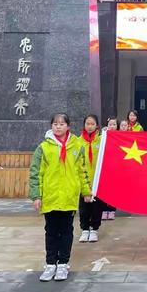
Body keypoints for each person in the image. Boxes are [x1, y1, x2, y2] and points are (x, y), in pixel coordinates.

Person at [29, 113, 91, 282]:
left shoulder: (77, 146)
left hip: (69, 198)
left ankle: (63, 263)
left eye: (62, 124)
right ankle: (50, 264)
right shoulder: (43, 148)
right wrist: (36, 196)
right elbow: (35, 173)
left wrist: (86, 191)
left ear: (68, 126)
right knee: (50, 231)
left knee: (66, 231)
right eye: (55, 124)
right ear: (51, 126)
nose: (58, 126)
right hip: (50, 197)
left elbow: (82, 170)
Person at [78, 114, 106, 243]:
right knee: (84, 207)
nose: (89, 126)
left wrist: (109, 134)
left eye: (92, 124)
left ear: (97, 126)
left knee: (96, 207)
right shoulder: (78, 142)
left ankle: (94, 229)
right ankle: (84, 229)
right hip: (82, 179)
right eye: (87, 124)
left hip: (97, 180)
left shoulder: (101, 140)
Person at [102, 116, 118, 220]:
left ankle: (112, 210)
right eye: (110, 124)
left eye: (114, 124)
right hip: (105, 166)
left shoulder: (120, 136)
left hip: (115, 167)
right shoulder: (103, 135)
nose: (112, 126)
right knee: (104, 189)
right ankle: (104, 210)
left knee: (113, 190)